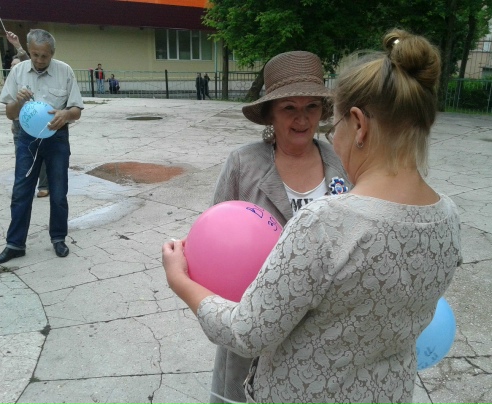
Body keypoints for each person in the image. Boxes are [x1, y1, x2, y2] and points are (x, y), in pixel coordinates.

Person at [163, 29, 462, 404]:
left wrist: (178, 279)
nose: (309, 123)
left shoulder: (323, 223)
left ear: (359, 124)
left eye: (331, 122)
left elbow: (248, 333)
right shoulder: (449, 218)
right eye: (289, 108)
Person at [192, 51, 352, 404]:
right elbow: (213, 242)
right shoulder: (242, 164)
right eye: (289, 108)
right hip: (252, 321)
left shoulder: (341, 163)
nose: (302, 119)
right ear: (270, 113)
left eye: (311, 107)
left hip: (322, 330)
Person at [0, 29, 84, 266]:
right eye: (35, 55)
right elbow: (9, 113)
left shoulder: (65, 71)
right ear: (29, 51)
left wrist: (65, 114)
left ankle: (58, 238)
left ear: (52, 53)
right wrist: (19, 101)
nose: (39, 60)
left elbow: (76, 110)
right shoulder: (18, 71)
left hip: (56, 138)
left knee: (58, 192)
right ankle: (15, 245)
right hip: (26, 139)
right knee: (21, 190)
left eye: (44, 56)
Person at [8, 32, 49, 198]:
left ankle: (44, 185)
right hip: (18, 123)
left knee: (41, 154)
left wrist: (17, 45)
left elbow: (28, 59)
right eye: (12, 65)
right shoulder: (13, 80)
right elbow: (9, 108)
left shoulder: (30, 74)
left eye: (16, 64)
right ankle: (25, 187)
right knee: (22, 157)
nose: (14, 67)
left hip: (35, 121)